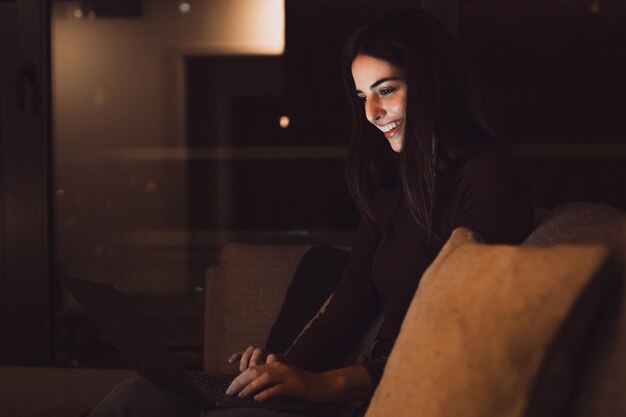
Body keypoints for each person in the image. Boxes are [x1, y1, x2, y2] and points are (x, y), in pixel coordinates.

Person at [88, 8, 533, 417]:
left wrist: (326, 384)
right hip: (361, 384)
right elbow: (342, 317)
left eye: (387, 90)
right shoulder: (391, 194)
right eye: (362, 96)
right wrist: (278, 371)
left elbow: (467, 335)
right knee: (135, 395)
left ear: (434, 83)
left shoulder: (490, 178)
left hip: (407, 390)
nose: (373, 113)